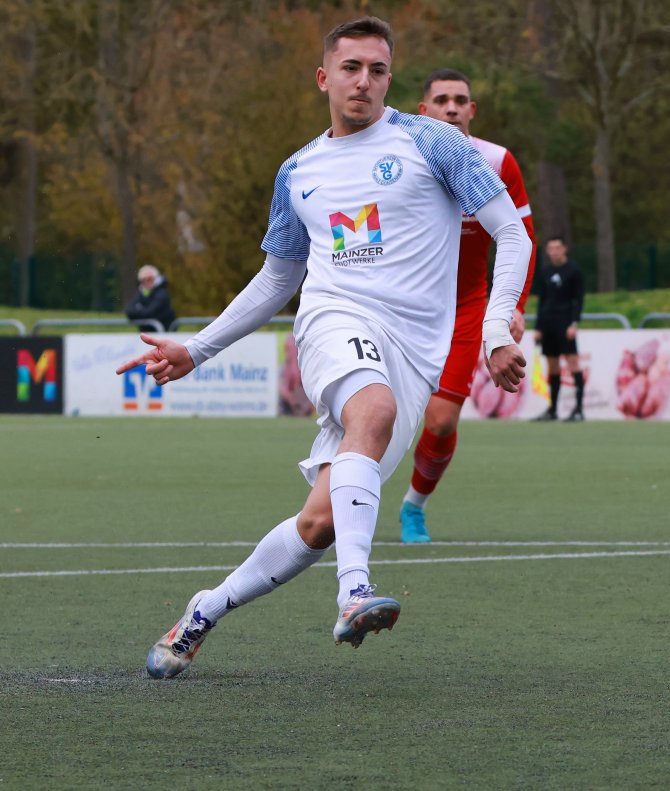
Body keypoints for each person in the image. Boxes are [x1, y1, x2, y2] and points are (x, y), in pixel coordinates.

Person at [115, 16, 531, 679]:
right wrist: (199, 348)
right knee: (373, 408)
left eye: (377, 70)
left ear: (391, 79)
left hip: (414, 354)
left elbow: (514, 234)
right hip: (334, 321)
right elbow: (280, 277)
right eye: (350, 68)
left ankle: (203, 610)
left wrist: (492, 327)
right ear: (323, 78)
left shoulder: (434, 143)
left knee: (319, 523)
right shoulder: (298, 171)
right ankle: (355, 591)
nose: (363, 81)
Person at [397, 68, 537, 544]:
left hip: (466, 309)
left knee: (439, 421)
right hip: (401, 309)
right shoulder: (397, 158)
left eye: (460, 100)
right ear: (424, 111)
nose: (451, 107)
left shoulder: (497, 161)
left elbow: (523, 238)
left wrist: (513, 305)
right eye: (441, 100)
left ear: (472, 110)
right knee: (373, 420)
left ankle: (414, 506)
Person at [533, 236, 585, 422]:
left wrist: (574, 323)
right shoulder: (545, 271)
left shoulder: (574, 271)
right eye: (551, 248)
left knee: (572, 363)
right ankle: (553, 409)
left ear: (565, 248)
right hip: (548, 325)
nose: (554, 251)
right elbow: (542, 300)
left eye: (557, 247)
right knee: (552, 366)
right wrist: (538, 327)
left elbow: (578, 300)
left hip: (565, 324)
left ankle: (579, 409)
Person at [125, 264, 176, 332]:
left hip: (164, 334)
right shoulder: (142, 293)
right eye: (144, 280)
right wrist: (143, 312)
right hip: (148, 334)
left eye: (149, 279)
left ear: (156, 279)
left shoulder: (162, 294)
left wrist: (139, 311)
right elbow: (129, 311)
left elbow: (149, 312)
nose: (147, 282)